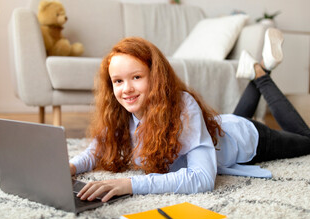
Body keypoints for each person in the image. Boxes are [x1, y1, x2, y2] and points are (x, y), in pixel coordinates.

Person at [69, 28, 310, 203]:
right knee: (226, 126)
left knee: (306, 140)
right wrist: (70, 166)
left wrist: (129, 185)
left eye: (137, 77)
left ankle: (262, 75)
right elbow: (97, 149)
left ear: (156, 77)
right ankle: (257, 70)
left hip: (247, 137)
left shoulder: (183, 105)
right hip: (219, 130)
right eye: (118, 81)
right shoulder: (121, 112)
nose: (126, 89)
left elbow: (202, 178)